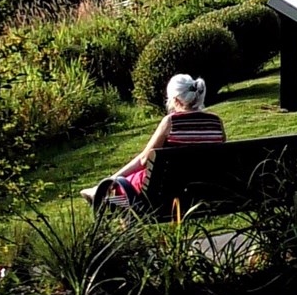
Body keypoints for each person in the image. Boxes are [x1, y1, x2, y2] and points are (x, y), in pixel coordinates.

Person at [80, 74, 225, 206]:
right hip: (207, 188)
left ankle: (102, 190)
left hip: (169, 189)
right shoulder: (216, 122)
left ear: (175, 100)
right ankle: (102, 188)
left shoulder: (171, 122)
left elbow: (144, 160)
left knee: (125, 185)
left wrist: (112, 180)